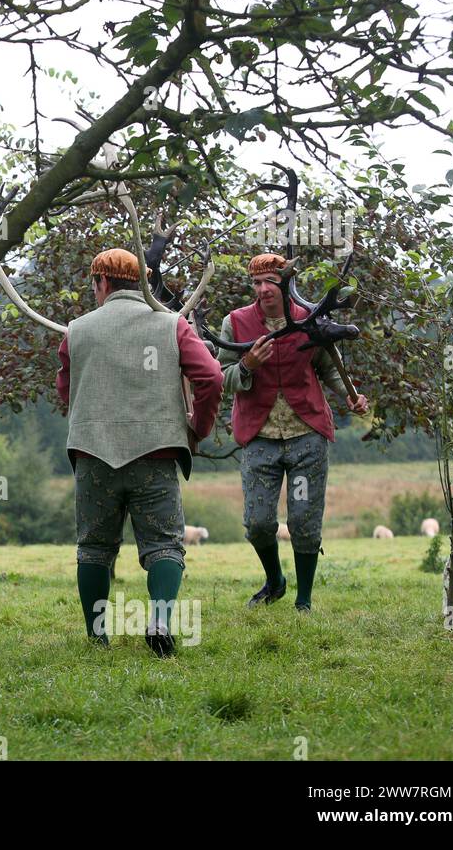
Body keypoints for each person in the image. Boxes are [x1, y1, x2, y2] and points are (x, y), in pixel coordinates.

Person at [57, 249, 223, 655]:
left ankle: (97, 639)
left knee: (94, 548)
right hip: (157, 454)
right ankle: (160, 622)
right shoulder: (174, 326)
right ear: (142, 283)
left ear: (102, 283)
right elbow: (213, 378)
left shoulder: (76, 330)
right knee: (165, 545)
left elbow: (65, 390)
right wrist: (196, 428)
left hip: (94, 456)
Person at [216, 252, 369, 612]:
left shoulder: (310, 319)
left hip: (306, 436)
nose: (263, 289)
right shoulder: (234, 323)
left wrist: (350, 396)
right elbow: (220, 378)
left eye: (271, 281)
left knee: (303, 519)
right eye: (256, 283)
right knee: (258, 522)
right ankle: (276, 580)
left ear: (287, 283)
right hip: (259, 438)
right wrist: (246, 366)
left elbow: (330, 368)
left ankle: (304, 600)